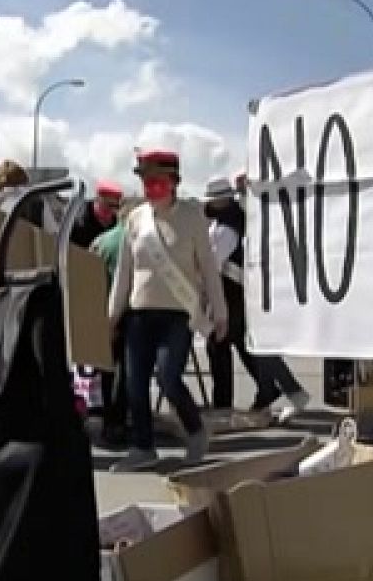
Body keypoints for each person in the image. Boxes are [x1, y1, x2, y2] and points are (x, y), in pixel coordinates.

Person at [106, 150, 227, 472]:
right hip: (139, 313)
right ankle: (142, 447)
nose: (150, 187)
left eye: (157, 181)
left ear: (173, 182)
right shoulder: (135, 219)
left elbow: (209, 268)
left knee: (168, 377)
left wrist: (220, 312)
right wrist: (112, 314)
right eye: (146, 181)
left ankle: (196, 431)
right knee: (134, 383)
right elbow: (124, 272)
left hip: (178, 314)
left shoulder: (192, 217)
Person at [201, 176, 312, 422]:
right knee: (248, 346)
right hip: (238, 292)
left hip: (232, 293)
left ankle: (229, 403)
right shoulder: (233, 220)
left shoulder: (228, 226)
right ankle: (271, 390)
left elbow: (213, 262)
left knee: (227, 346)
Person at [89, 201, 132, 447]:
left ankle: (107, 420)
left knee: (107, 369)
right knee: (127, 371)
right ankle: (119, 421)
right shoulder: (139, 241)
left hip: (102, 311)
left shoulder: (100, 242)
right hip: (133, 312)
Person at [70, 179, 124, 250]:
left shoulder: (114, 223)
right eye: (109, 205)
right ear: (98, 199)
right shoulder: (79, 221)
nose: (112, 210)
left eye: (116, 206)